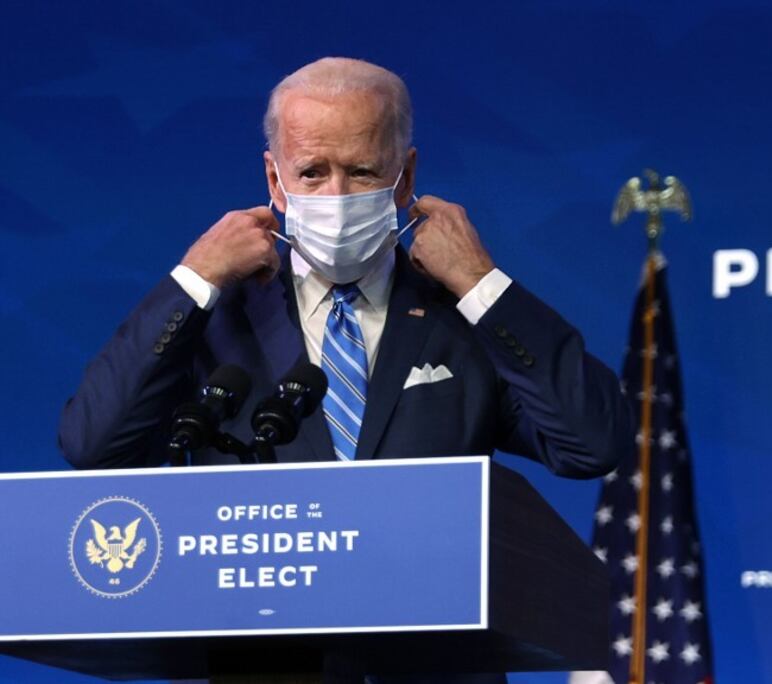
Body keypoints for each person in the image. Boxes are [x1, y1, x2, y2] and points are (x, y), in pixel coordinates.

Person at [58, 57, 632, 683]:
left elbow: (593, 442)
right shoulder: (215, 320)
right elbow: (95, 446)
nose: (335, 196)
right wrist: (193, 278)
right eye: (312, 172)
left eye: (362, 171)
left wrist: (481, 283)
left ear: (405, 175)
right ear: (275, 181)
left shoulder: (461, 318)